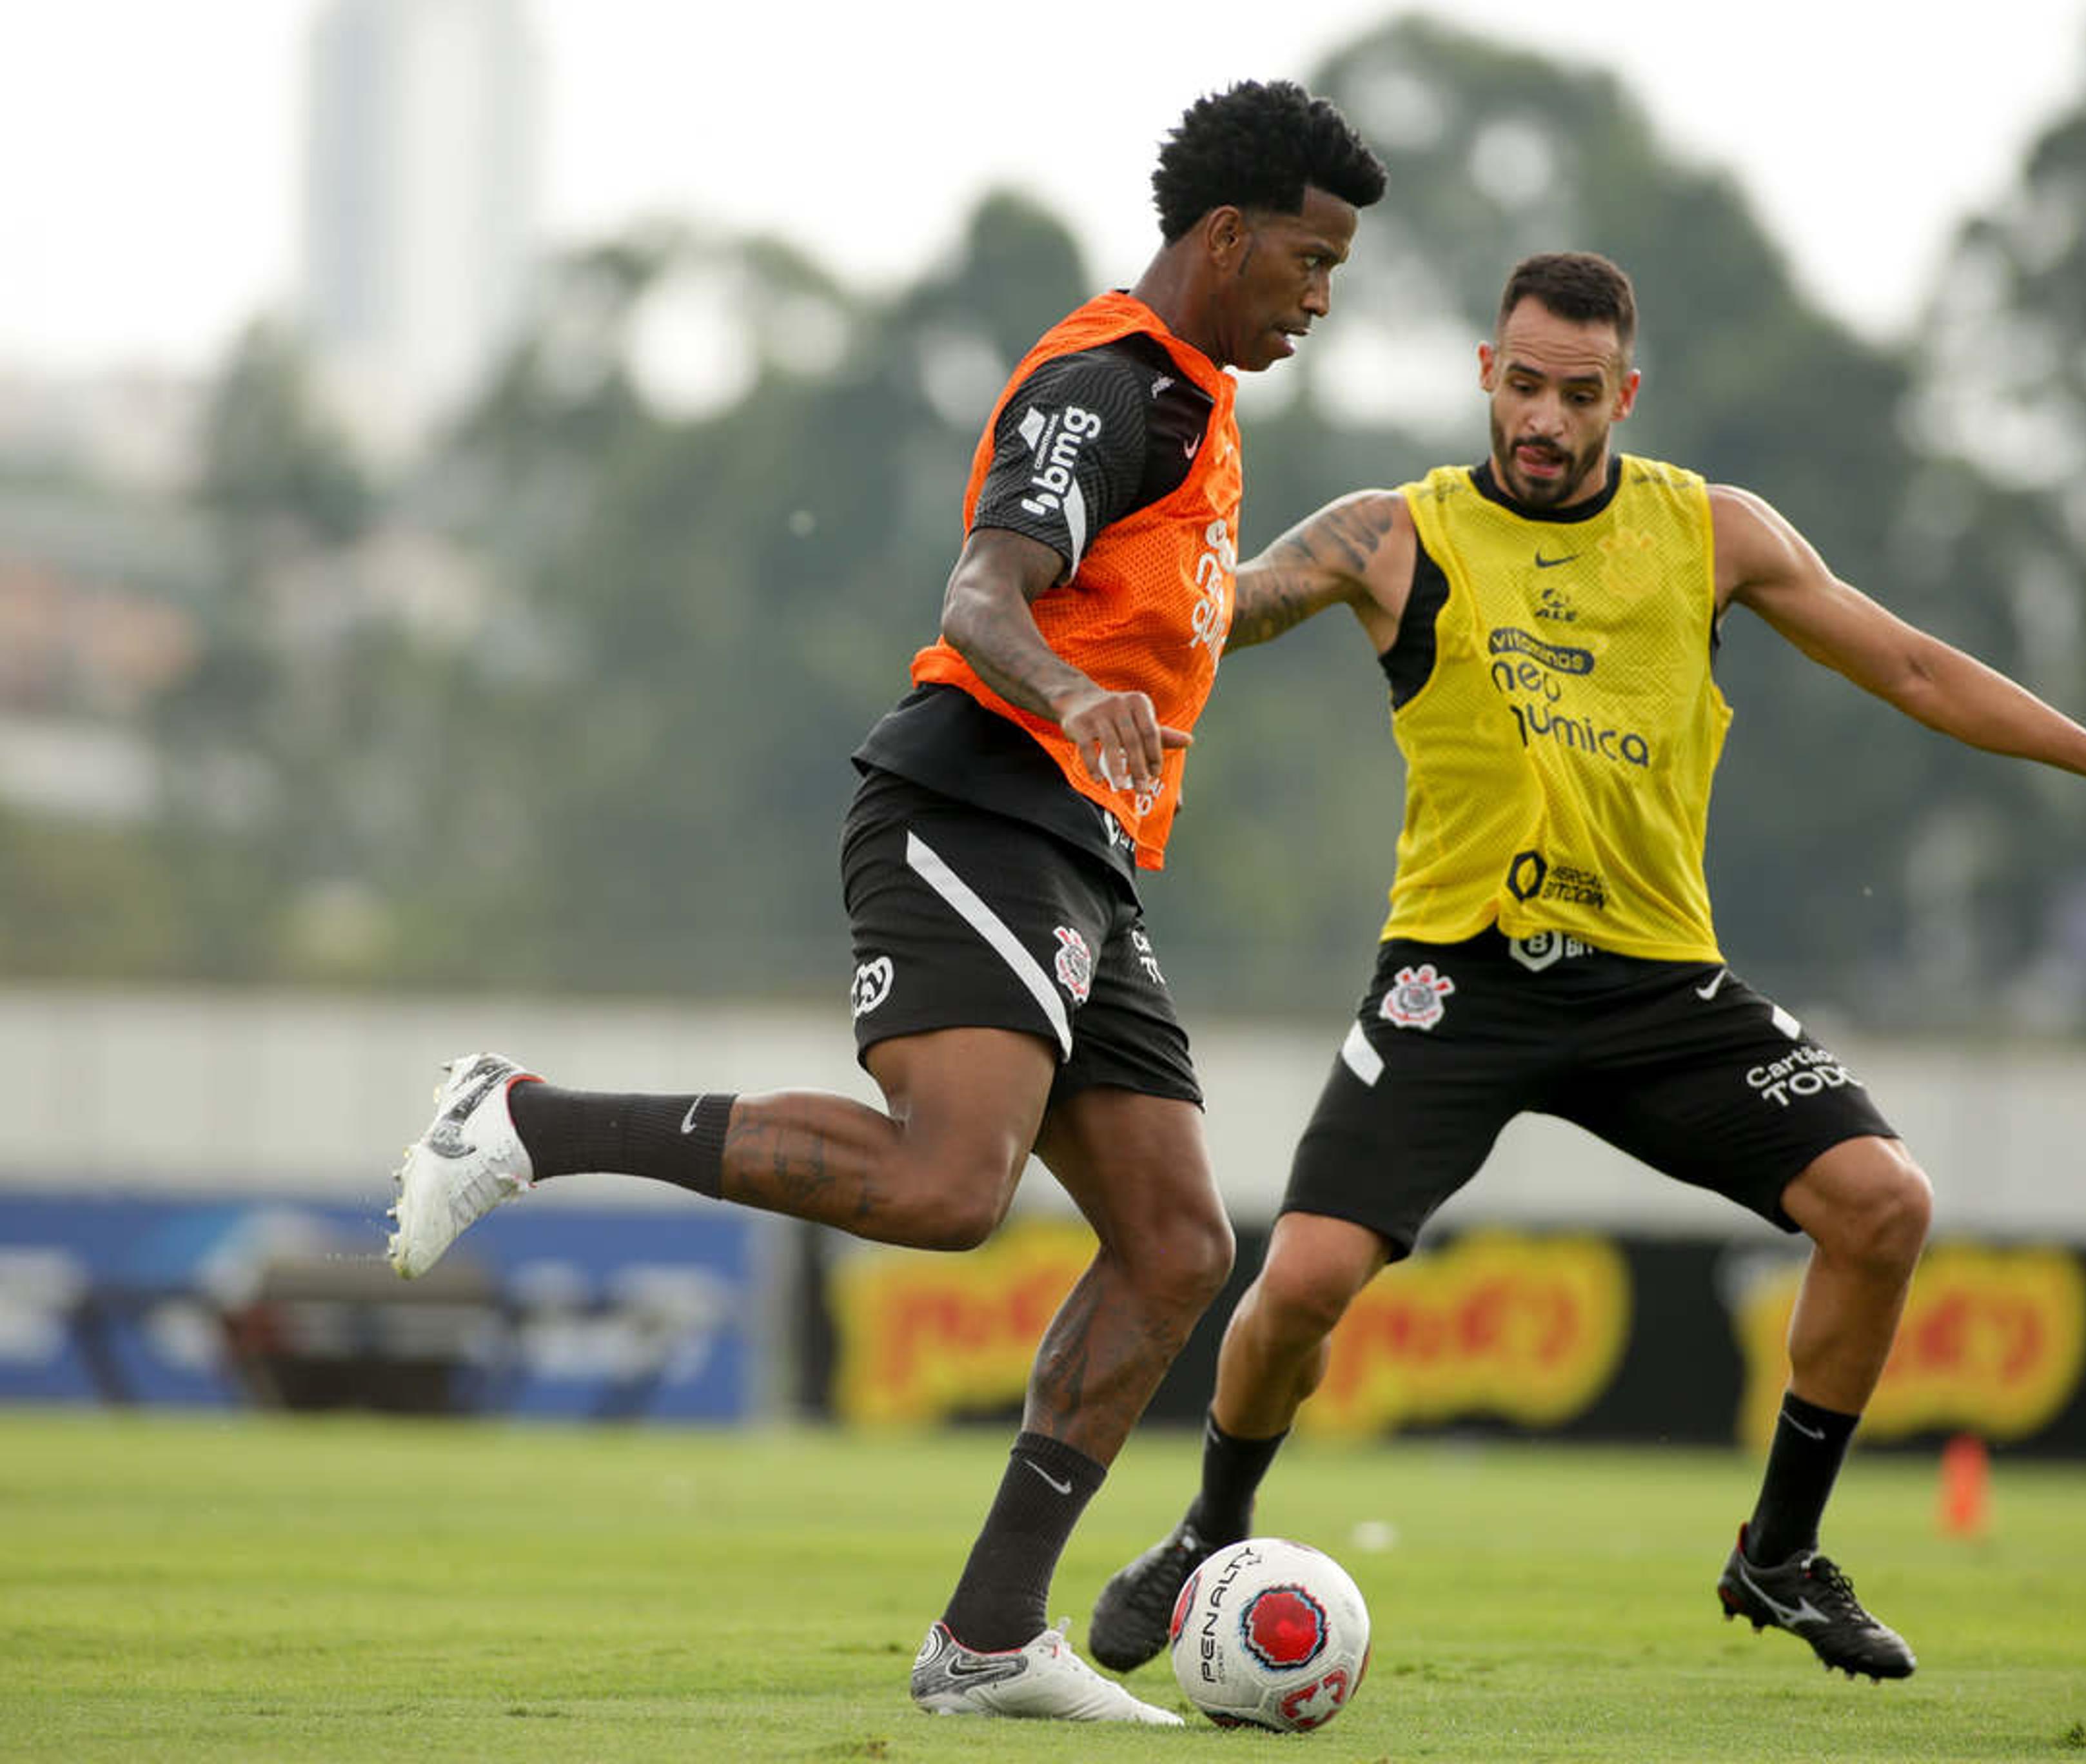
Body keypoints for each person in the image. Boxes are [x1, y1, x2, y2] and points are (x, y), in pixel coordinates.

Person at [383, 81, 1387, 1725]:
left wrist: (1315, 566)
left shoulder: (1198, 407)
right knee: (947, 1188)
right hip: (974, 806)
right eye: (1310, 259)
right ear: (1228, 235)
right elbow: (984, 597)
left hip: (1080, 853)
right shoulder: (1105, 379)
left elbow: (1186, 622)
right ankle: (524, 1118)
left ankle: (990, 1640)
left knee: (1176, 1244)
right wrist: (1068, 703)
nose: (1322, 298)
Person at [1085, 250, 2086, 1684]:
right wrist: (1084, 627)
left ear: (1625, 394)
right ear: (1484, 378)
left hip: (1655, 983)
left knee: (1883, 1206)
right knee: (1305, 1277)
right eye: (1523, 386)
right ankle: (1210, 1529)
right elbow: (1223, 611)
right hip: (1460, 980)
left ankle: (1781, 1554)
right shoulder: (1391, 535)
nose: (1547, 422)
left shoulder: (1712, 532)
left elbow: (1917, 671)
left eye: (1579, 395)